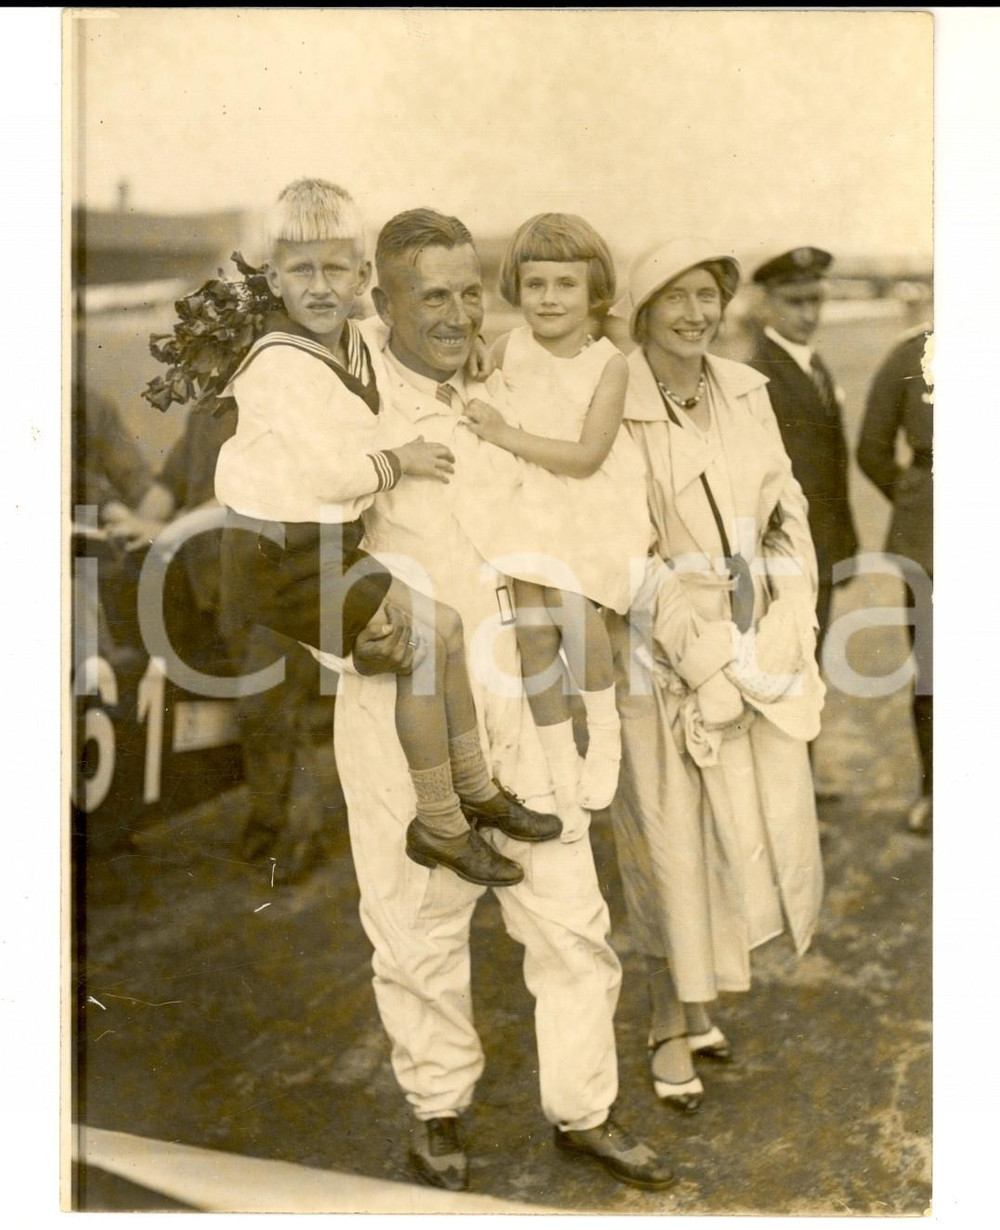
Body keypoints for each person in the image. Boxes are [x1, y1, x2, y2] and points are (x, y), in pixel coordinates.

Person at [326, 208, 674, 1192]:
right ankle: (437, 1110)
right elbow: (297, 556)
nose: (454, 311)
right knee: (417, 924)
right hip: (409, 703)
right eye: (429, 294)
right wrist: (367, 638)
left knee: (569, 918)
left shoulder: (501, 380)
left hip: (525, 691)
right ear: (381, 295)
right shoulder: (355, 409)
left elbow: (579, 513)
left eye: (467, 291)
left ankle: (584, 1110)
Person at [214, 180, 560, 892]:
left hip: (322, 545)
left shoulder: (353, 338)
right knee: (426, 646)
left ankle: (474, 787)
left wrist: (475, 345)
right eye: (301, 271)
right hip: (274, 554)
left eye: (336, 269)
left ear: (362, 279)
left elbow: (421, 328)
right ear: (273, 276)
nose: (320, 287)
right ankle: (439, 822)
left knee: (447, 629)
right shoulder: (279, 362)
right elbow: (326, 471)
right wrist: (396, 462)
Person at [606, 237, 825, 1115]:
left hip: (749, 633)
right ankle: (666, 1019)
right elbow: (623, 552)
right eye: (677, 297)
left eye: (709, 296)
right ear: (645, 307)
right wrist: (702, 660)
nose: (696, 313)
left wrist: (783, 622)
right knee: (668, 840)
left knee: (734, 837)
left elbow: (787, 515)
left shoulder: (745, 391)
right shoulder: (614, 402)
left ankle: (698, 1002)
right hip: (660, 651)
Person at [461, 213, 651, 832]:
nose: (549, 299)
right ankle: (558, 766)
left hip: (586, 500)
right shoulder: (505, 347)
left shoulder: (608, 364)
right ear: (516, 287)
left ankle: (604, 736)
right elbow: (472, 394)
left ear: (594, 292)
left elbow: (588, 456)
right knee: (533, 633)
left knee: (572, 610)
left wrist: (505, 433)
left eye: (566, 285)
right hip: (524, 502)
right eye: (536, 284)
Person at [102, 400, 339, 880]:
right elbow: (170, 486)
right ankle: (269, 822)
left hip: (281, 579)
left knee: (271, 709)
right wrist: (131, 520)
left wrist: (160, 528)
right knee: (261, 713)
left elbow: (243, 492)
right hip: (221, 586)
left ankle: (300, 832)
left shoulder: (279, 401)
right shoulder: (207, 411)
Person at [746, 247, 859, 658]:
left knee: (808, 675)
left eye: (816, 300)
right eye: (795, 302)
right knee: (787, 676)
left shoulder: (812, 364)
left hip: (821, 546)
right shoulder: (758, 372)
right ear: (766, 303)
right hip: (784, 553)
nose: (809, 313)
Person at [857, 325, 933, 835]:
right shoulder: (912, 353)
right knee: (936, 670)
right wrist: (916, 505)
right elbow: (871, 449)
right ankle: (937, 790)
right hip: (933, 536)